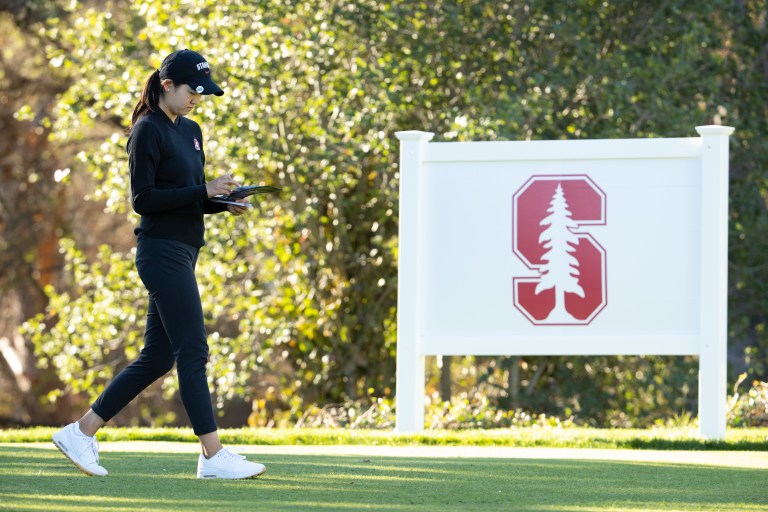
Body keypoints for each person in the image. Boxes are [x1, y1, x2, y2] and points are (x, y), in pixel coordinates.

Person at [52, 49, 265, 480]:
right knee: (193, 350)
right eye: (191, 91)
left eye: (202, 94)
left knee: (157, 358)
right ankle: (212, 455)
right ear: (167, 85)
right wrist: (204, 189)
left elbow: (186, 200)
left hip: (183, 250)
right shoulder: (146, 130)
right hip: (161, 252)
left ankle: (81, 432)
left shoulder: (192, 131)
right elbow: (144, 201)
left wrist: (221, 203)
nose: (196, 100)